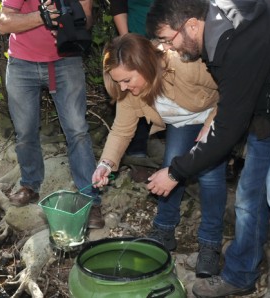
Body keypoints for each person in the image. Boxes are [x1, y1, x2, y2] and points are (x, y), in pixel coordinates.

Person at [145, 0, 270, 297]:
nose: (167, 48)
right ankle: (240, 275)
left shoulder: (237, 43)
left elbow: (228, 126)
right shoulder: (215, 28)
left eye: (166, 39)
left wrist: (175, 172)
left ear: (191, 24)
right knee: (248, 197)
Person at [92, 33, 228, 278]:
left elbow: (232, 88)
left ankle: (210, 243)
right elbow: (122, 130)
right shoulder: (129, 92)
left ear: (143, 64)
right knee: (171, 165)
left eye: (126, 80)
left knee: (210, 178)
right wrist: (105, 163)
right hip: (181, 123)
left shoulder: (183, 64)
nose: (123, 87)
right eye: (118, 82)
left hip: (214, 114)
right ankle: (164, 230)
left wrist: (213, 123)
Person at [0, 0, 104, 229]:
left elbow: (86, 21)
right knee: (25, 131)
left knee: (78, 130)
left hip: (66, 60)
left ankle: (91, 200)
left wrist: (78, 14)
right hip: (22, 62)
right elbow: (4, 24)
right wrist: (43, 16)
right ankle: (30, 186)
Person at [109, 0, 154, 169]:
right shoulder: (125, 80)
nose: (122, 86)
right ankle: (137, 153)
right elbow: (118, 5)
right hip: (136, 38)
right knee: (133, 93)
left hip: (170, 36)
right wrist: (127, 42)